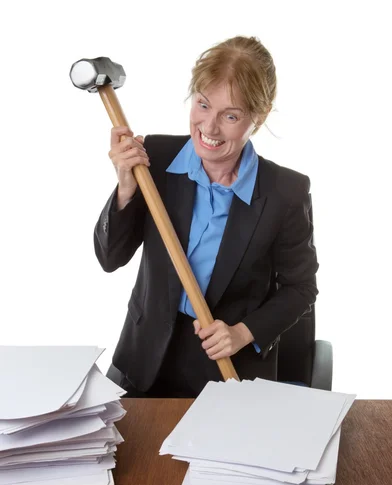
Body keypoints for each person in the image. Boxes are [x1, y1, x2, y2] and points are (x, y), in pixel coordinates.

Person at [94, 35, 319, 398]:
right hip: (142, 360)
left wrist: (242, 333)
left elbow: (301, 288)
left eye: (230, 115)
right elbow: (110, 257)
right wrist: (125, 185)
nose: (209, 128)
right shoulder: (156, 158)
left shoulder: (284, 192)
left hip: (229, 369)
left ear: (257, 120)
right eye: (203, 105)